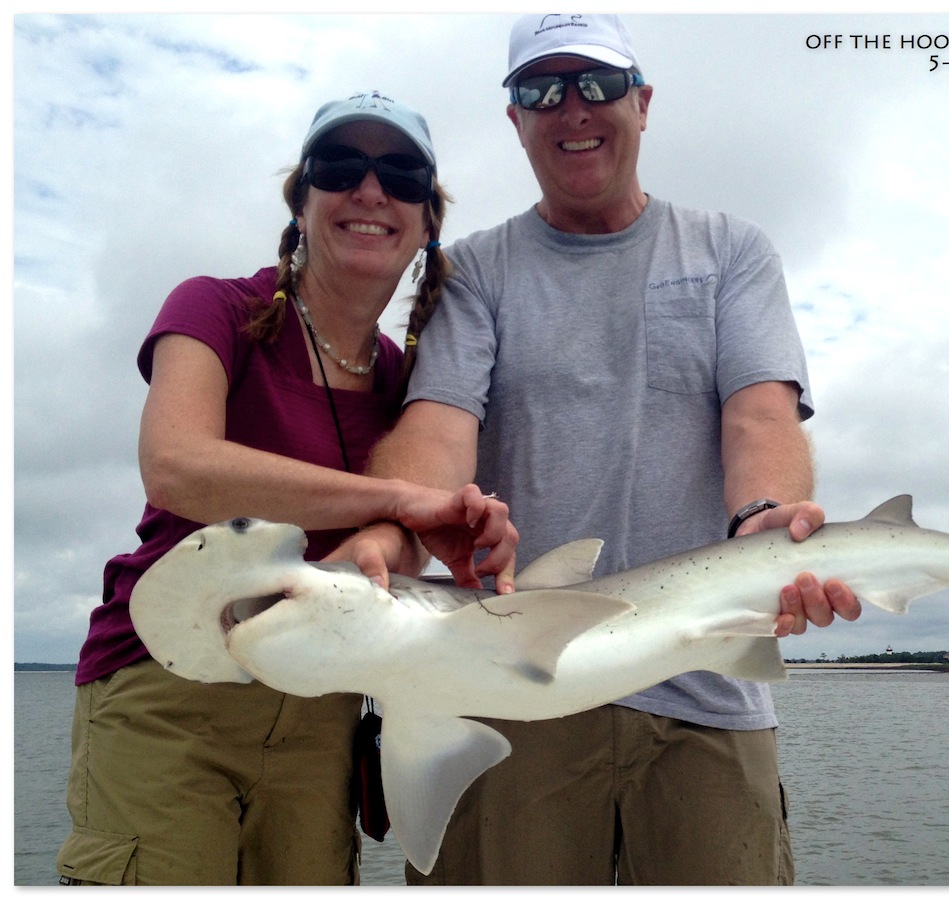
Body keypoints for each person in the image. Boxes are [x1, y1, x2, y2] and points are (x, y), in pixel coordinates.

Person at [337, 14, 862, 886]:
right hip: (513, 692)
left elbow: (760, 417)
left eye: (597, 84)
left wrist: (764, 516)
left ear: (642, 102)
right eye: (542, 90)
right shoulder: (472, 270)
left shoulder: (731, 251)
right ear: (514, 120)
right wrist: (395, 523)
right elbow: (436, 430)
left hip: (708, 685)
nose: (571, 108)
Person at [54, 90, 517, 886]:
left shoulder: (409, 384)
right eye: (341, 165)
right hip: (166, 687)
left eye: (401, 174)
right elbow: (178, 466)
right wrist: (397, 499)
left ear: (427, 219)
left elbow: (399, 537)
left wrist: (450, 530)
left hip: (321, 705)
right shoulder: (214, 308)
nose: (371, 191)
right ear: (300, 200)